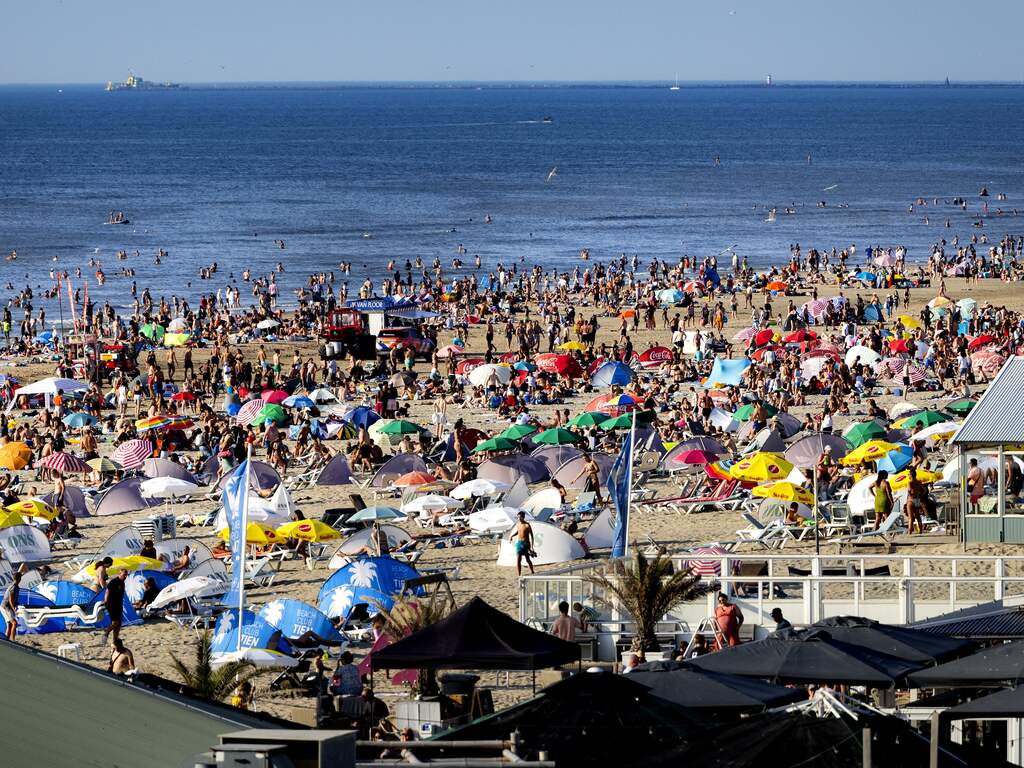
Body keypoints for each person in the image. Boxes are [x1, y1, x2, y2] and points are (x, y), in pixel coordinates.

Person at [104, 569, 127, 644]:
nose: (125, 576)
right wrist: (106, 601)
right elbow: (107, 591)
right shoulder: (114, 581)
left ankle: (115, 640)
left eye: (126, 575)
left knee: (119, 623)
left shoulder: (122, 582)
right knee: (115, 622)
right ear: (119, 574)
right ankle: (106, 633)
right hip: (112, 604)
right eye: (124, 575)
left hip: (119, 604)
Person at [512, 510, 534, 576]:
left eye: (520, 517)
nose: (519, 518)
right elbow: (518, 531)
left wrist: (532, 547)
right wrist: (512, 536)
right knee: (518, 559)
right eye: (518, 517)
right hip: (519, 543)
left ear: (523, 517)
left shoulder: (527, 525)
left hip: (526, 543)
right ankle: (519, 575)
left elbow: (532, 536)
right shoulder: (518, 524)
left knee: (528, 560)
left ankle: (532, 571)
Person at [2, 570, 21, 641]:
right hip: (5, 606)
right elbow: (10, 601)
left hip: (7, 606)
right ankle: (13, 641)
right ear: (20, 579)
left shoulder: (16, 586)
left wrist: (18, 605)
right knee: (14, 623)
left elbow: (15, 600)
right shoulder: (13, 587)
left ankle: (6, 640)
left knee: (10, 625)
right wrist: (14, 610)